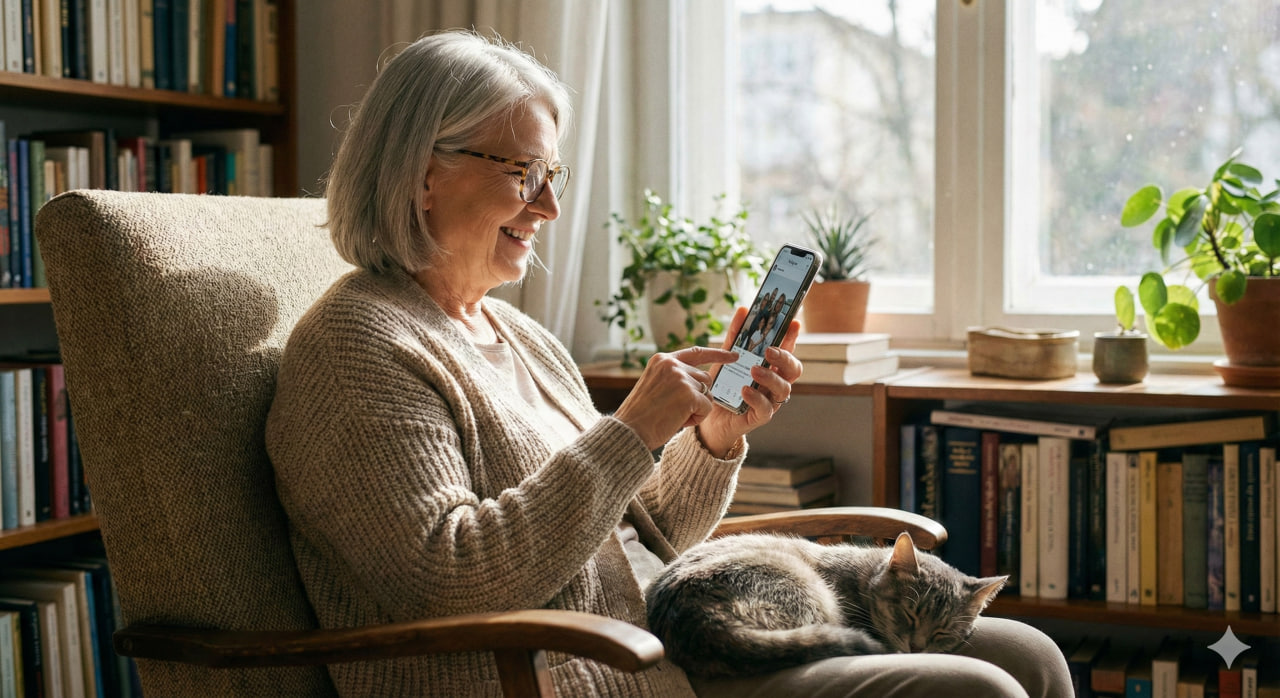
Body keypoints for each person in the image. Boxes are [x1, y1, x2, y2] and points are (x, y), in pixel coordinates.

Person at [265, 29, 1072, 698]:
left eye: (551, 175)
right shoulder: (358, 350)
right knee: (980, 688)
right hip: (572, 677)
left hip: (666, 640)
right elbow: (450, 579)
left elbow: (632, 536)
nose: (547, 206)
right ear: (421, 174)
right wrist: (630, 430)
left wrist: (714, 436)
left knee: (1028, 654)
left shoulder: (520, 339)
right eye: (521, 173)